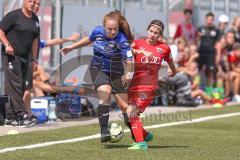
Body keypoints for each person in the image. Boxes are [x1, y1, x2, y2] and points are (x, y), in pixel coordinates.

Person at [60, 10, 134, 143]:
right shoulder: (97, 31)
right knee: (105, 93)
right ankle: (104, 131)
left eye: (115, 29)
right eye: (109, 29)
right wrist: (71, 48)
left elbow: (129, 61)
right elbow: (88, 39)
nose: (112, 32)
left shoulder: (122, 40)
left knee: (124, 106)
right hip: (98, 68)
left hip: (117, 72)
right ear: (103, 27)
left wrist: (128, 73)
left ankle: (137, 133)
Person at [126, 20, 177, 150]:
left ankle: (141, 144)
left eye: (156, 33)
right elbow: (126, 50)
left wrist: (173, 71)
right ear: (147, 30)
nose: (153, 35)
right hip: (133, 85)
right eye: (151, 31)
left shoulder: (164, 48)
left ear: (160, 34)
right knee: (127, 114)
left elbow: (171, 62)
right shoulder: (138, 43)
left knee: (133, 112)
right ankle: (145, 134)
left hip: (148, 87)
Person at [0, 0, 39, 127]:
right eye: (31, 1)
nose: (33, 4)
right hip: (11, 56)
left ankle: (11, 117)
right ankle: (22, 115)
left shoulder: (35, 18)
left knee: (22, 87)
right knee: (16, 84)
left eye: (36, 2)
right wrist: (7, 44)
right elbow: (0, 31)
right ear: (24, 1)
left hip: (26, 57)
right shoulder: (13, 16)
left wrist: (34, 59)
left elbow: (35, 40)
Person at [197, 12, 220, 87]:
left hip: (211, 54)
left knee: (210, 71)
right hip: (201, 52)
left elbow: (217, 43)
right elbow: (195, 40)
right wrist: (198, 37)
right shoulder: (200, 28)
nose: (210, 21)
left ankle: (210, 90)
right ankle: (198, 87)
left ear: (213, 20)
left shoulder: (216, 30)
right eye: (208, 19)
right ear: (205, 19)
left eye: (211, 19)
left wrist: (218, 55)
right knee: (198, 70)